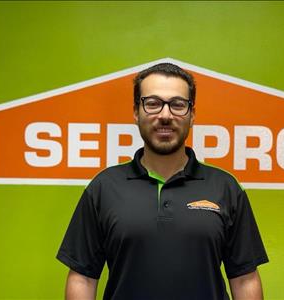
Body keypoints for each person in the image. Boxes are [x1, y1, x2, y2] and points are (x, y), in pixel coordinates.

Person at [57, 63, 269, 300]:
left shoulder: (226, 188)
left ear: (192, 114)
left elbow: (244, 279)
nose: (165, 115)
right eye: (153, 103)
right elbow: (82, 277)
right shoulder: (104, 188)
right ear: (137, 112)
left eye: (178, 105)